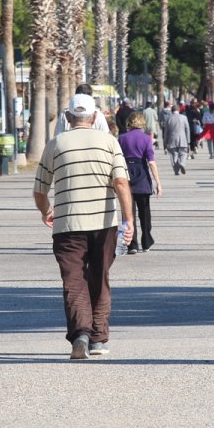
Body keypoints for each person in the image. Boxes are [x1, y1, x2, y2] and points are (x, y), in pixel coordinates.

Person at [33, 94, 134, 359]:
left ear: (67, 117)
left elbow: (40, 189)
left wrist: (47, 211)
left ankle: (80, 334)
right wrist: (128, 220)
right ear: (94, 117)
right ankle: (99, 339)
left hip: (67, 223)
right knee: (99, 278)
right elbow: (121, 183)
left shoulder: (56, 143)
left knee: (73, 281)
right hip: (104, 223)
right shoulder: (110, 142)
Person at [119, 111, 162, 254]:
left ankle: (132, 244)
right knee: (144, 213)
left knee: (128, 212)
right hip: (142, 175)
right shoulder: (145, 139)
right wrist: (158, 183)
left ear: (129, 123)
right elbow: (151, 162)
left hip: (126, 175)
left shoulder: (122, 138)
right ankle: (146, 241)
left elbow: (117, 160)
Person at [164, 103, 191, 175]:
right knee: (183, 153)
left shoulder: (169, 119)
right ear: (178, 110)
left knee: (173, 155)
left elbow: (166, 131)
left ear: (172, 111)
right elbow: (187, 129)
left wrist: (165, 142)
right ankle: (182, 163)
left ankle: (176, 171)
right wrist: (188, 141)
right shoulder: (184, 117)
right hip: (182, 139)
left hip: (172, 139)